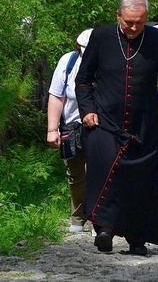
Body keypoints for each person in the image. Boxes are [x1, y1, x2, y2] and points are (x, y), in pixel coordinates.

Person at [75, 0, 158, 255]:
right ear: (118, 16)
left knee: (141, 180)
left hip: (144, 124)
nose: (134, 28)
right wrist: (87, 110)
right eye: (128, 23)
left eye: (139, 23)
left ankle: (138, 238)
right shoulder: (101, 37)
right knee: (106, 170)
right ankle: (104, 229)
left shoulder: (157, 39)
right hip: (104, 121)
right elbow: (83, 80)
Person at [46, 28, 93, 233]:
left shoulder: (109, 63)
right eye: (83, 49)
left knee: (98, 172)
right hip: (72, 126)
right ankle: (77, 217)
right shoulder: (68, 62)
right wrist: (52, 129)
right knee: (75, 174)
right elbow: (56, 96)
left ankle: (97, 218)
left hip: (100, 127)